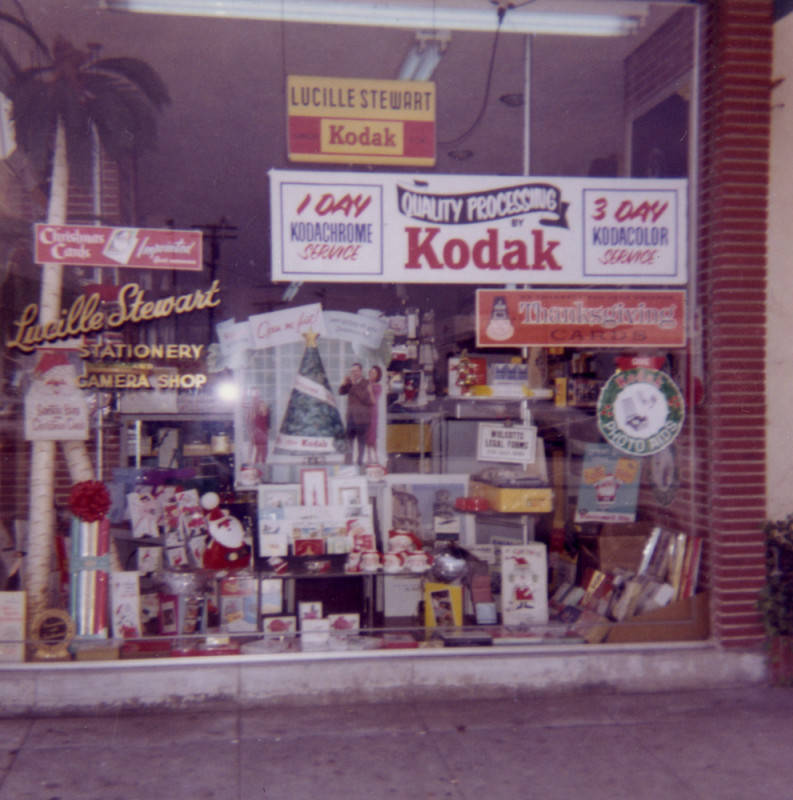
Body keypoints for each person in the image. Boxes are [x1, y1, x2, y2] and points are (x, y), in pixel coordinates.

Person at [339, 362, 372, 465]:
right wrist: (344, 383)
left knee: (361, 442)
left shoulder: (366, 383)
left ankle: (359, 463)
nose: (354, 373)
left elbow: (364, 398)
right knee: (349, 442)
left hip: (362, 419)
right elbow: (341, 392)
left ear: (361, 372)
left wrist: (353, 385)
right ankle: (348, 463)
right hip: (350, 417)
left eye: (356, 371)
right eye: (352, 371)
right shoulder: (350, 383)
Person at [364, 365, 382, 465]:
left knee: (372, 434)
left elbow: (374, 401)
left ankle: (375, 456)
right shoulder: (366, 384)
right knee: (366, 433)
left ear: (377, 375)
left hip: (373, 412)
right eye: (370, 372)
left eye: (374, 373)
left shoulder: (378, 387)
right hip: (365, 411)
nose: (371, 374)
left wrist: (370, 391)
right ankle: (368, 456)